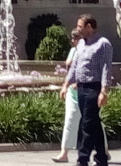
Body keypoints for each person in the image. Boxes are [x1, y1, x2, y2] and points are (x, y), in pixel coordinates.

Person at [61, 14, 112, 166]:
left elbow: (106, 68)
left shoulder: (103, 44)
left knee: (87, 124)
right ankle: (102, 158)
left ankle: (82, 159)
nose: (78, 29)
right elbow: (74, 66)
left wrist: (103, 91)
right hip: (81, 88)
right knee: (94, 123)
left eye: (80, 26)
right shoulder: (81, 44)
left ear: (89, 26)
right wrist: (65, 84)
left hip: (94, 88)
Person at [53, 29, 83, 163]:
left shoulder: (90, 50)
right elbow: (70, 67)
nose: (73, 41)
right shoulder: (74, 50)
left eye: (76, 38)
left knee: (95, 123)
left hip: (86, 91)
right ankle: (64, 153)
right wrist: (66, 86)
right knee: (70, 119)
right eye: (72, 38)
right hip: (72, 91)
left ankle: (104, 150)